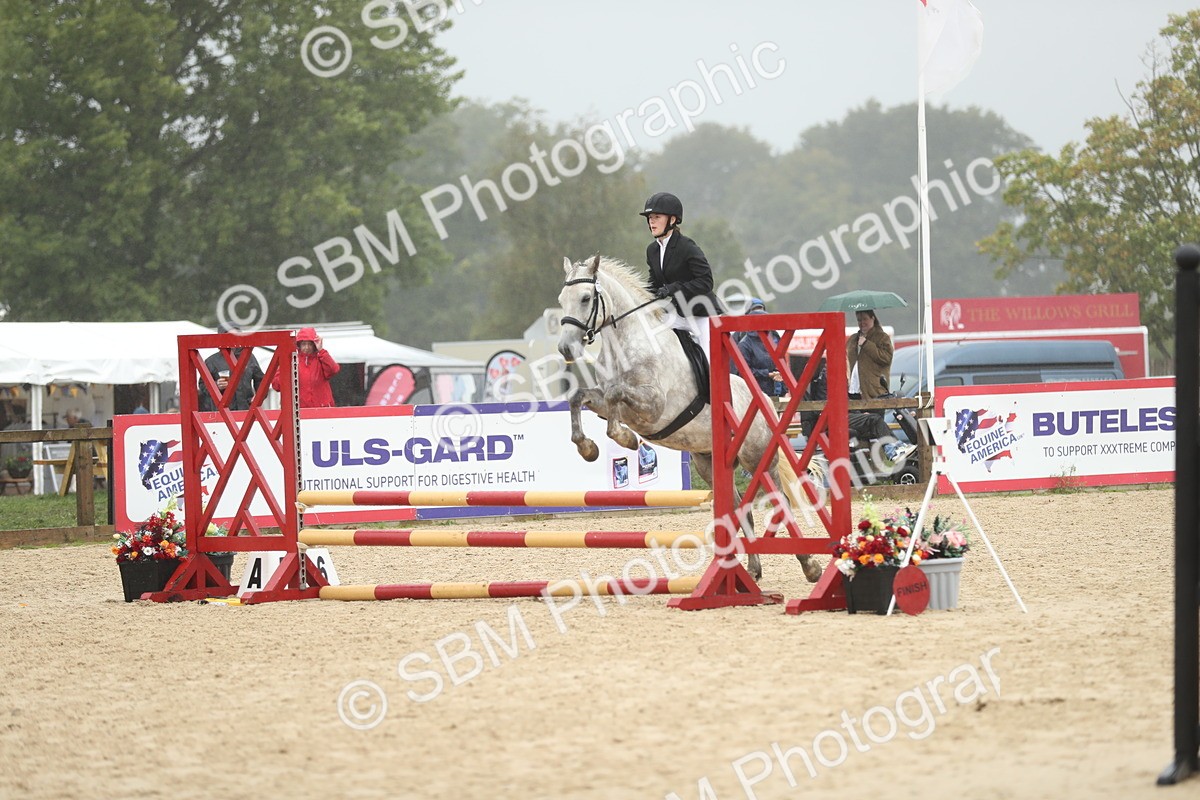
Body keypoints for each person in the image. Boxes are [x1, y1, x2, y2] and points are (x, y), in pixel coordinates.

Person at [639, 192, 724, 357]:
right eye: (649, 218)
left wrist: (672, 288)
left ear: (672, 220)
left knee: (709, 359)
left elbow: (706, 281)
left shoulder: (687, 247)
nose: (651, 221)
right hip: (678, 313)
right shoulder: (652, 250)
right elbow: (654, 283)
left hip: (702, 313)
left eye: (657, 217)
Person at [198, 324, 265, 412]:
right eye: (229, 336)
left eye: (236, 335)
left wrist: (259, 396)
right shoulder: (211, 361)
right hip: (222, 412)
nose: (233, 339)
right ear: (221, 338)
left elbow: (260, 379)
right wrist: (216, 385)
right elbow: (203, 385)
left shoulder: (249, 357)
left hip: (246, 409)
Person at [270, 327, 340, 408]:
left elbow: (334, 369)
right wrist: (286, 371)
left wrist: (321, 350)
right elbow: (276, 385)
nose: (307, 347)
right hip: (297, 411)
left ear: (314, 345)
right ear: (299, 345)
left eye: (310, 344)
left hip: (321, 409)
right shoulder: (291, 361)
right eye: (304, 344)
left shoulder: (321, 359)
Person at [735, 299, 786, 397]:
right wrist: (767, 374)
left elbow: (781, 359)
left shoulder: (773, 336)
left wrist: (778, 373)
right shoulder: (743, 342)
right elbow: (742, 371)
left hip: (774, 390)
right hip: (753, 393)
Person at [846, 309, 893, 400]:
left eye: (865, 319)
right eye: (859, 320)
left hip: (875, 393)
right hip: (853, 392)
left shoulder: (882, 337)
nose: (862, 323)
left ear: (873, 318)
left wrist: (866, 344)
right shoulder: (853, 339)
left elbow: (886, 358)